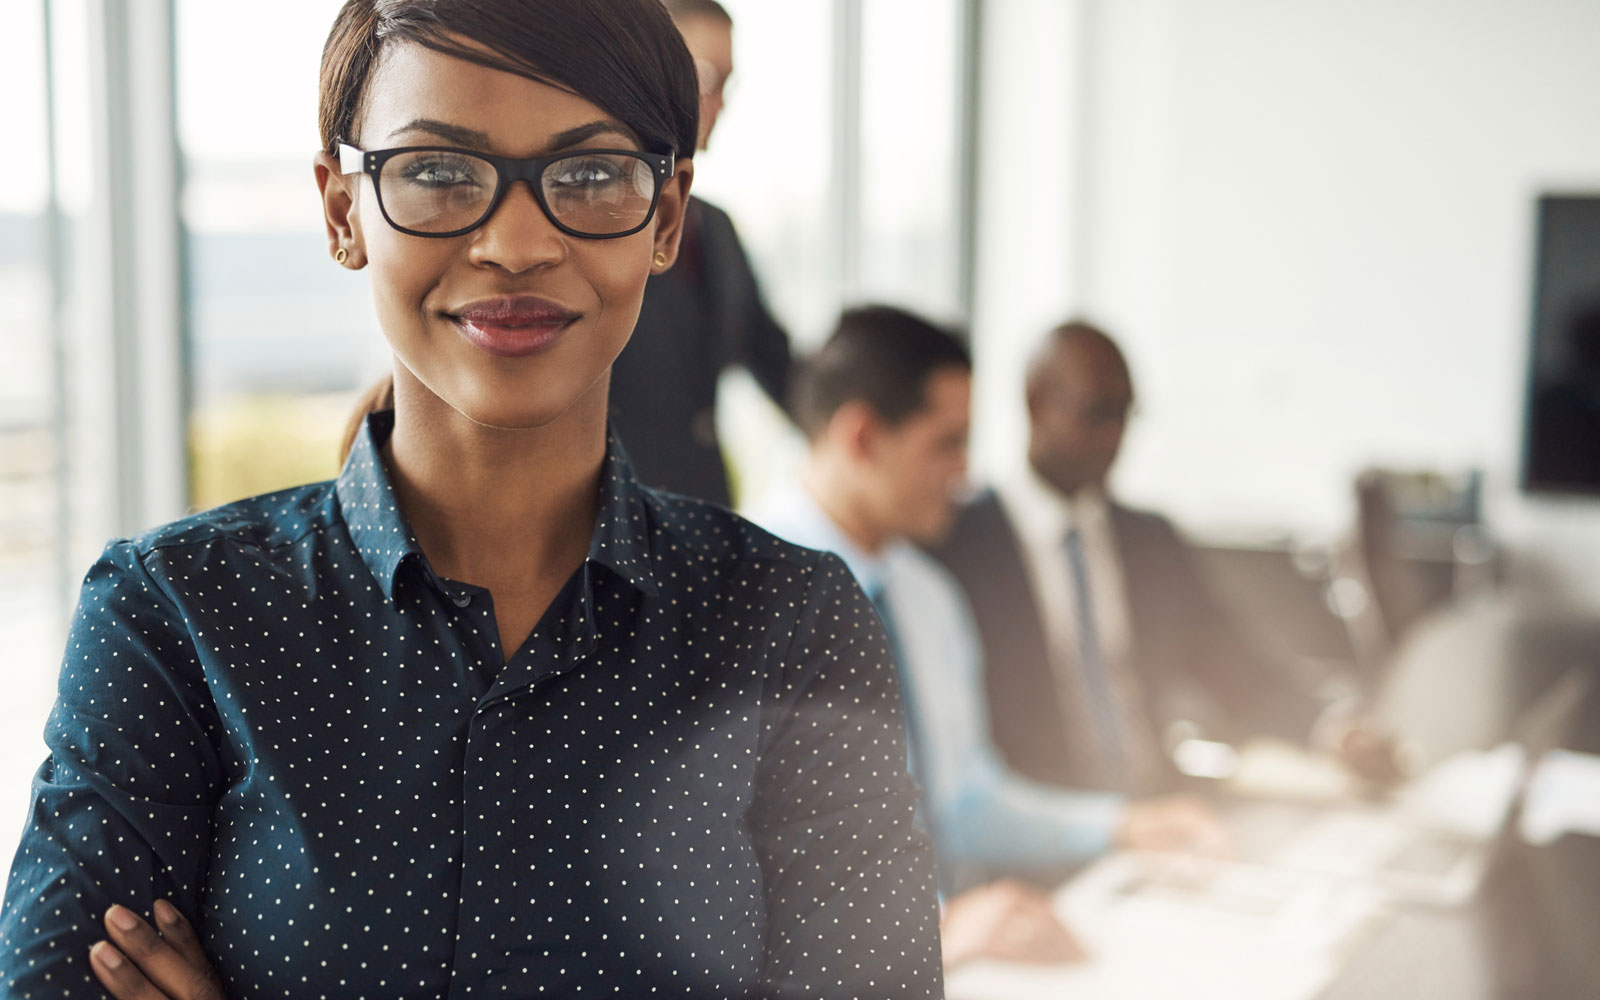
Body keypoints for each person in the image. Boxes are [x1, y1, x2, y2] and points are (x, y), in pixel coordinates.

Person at [0, 4, 942, 998]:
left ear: (666, 216)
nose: (516, 243)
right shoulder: (176, 614)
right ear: (340, 209)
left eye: (589, 173)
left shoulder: (792, 621)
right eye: (439, 172)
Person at [755, 307, 1225, 962]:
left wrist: (1121, 825)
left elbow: (966, 801)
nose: (964, 474)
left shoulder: (929, 599)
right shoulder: (727, 603)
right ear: (862, 438)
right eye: (946, 445)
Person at [930, 320, 1399, 797]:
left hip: (1161, 814)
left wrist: (1334, 730)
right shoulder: (958, 546)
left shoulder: (1149, 542)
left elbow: (1236, 667)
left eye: (1124, 414)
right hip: (1034, 833)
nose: (1113, 437)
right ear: (1035, 402)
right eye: (1096, 412)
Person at [608, 0, 793, 507]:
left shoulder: (717, 228)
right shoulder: (593, 221)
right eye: (707, 75)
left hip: (703, 510)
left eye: (727, 84)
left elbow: (774, 359)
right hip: (612, 516)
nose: (719, 102)